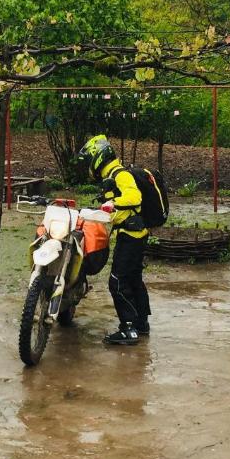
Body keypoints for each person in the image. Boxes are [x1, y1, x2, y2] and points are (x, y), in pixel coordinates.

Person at [78, 134, 150, 346]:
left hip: (131, 236)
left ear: (97, 158)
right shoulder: (112, 175)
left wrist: (113, 203)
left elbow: (135, 197)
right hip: (133, 234)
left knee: (117, 282)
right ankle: (141, 324)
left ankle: (128, 328)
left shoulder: (120, 174)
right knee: (133, 279)